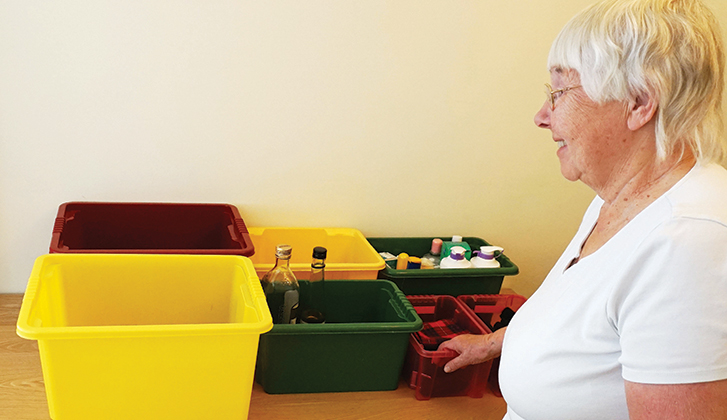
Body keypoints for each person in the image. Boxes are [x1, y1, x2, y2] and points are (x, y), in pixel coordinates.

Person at [438, 0, 727, 419]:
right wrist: (496, 341)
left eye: (559, 93)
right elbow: (593, 324)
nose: (541, 116)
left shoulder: (689, 241)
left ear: (639, 102)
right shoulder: (618, 199)